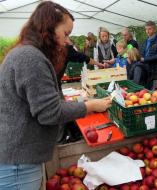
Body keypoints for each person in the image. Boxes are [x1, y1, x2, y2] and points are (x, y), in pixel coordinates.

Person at [0, 2, 111, 189]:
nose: (67, 41)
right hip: (18, 164)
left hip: (18, 158)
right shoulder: (30, 58)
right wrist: (89, 106)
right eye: (66, 33)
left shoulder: (26, 53)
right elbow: (49, 112)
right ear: (49, 27)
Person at [140, 21, 157, 89]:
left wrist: (145, 59)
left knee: (154, 90)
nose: (147, 31)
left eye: (149, 29)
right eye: (146, 29)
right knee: (145, 89)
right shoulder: (145, 41)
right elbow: (142, 53)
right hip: (145, 68)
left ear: (154, 30)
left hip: (155, 69)